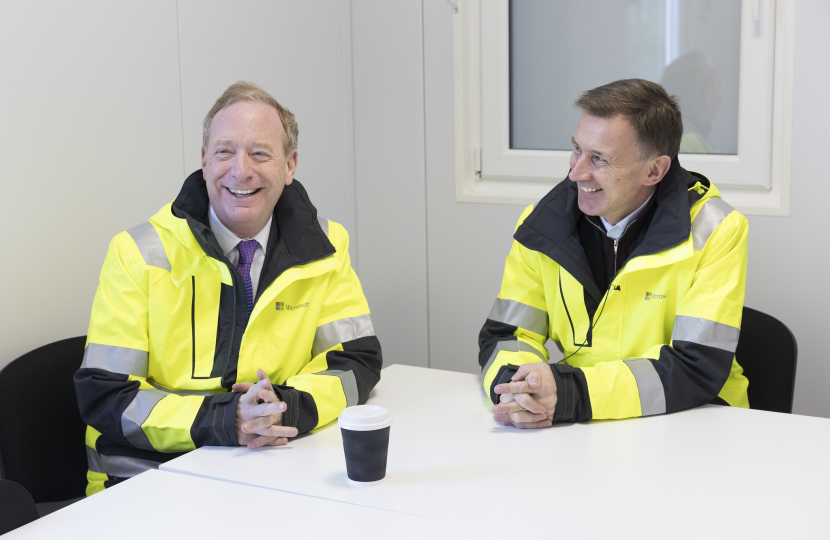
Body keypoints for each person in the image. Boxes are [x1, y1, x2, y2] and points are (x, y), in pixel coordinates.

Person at [75, 81, 382, 495]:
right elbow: (107, 397)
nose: (241, 170)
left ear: (290, 165)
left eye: (260, 153)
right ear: (204, 160)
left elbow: (354, 363)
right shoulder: (136, 253)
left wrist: (285, 407)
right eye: (224, 151)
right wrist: (226, 419)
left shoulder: (326, 247)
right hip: (147, 481)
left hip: (271, 470)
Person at [480, 79, 748, 428]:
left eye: (599, 158)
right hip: (589, 421)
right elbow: (508, 335)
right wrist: (519, 387)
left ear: (654, 170)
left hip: (695, 422)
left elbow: (696, 367)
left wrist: (570, 394)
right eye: (577, 149)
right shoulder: (543, 225)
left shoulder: (716, 229)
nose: (576, 172)